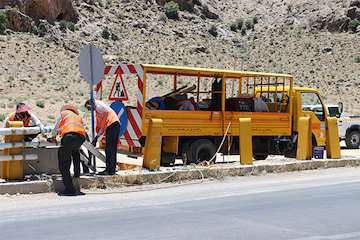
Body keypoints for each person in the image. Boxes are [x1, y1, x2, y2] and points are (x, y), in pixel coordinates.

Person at [50, 104, 87, 196]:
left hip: (69, 137)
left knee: (64, 164)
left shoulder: (63, 114)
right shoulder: (77, 116)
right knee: (75, 153)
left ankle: (69, 189)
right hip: (80, 138)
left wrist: (53, 137)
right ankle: (77, 177)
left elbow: (56, 128)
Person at [85, 99, 120, 175]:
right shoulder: (98, 109)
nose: (89, 110)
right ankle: (111, 169)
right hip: (114, 125)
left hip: (112, 125)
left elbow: (104, 124)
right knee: (111, 149)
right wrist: (96, 138)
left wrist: (96, 138)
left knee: (110, 149)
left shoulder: (99, 107)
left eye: (89, 108)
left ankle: (109, 170)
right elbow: (102, 126)